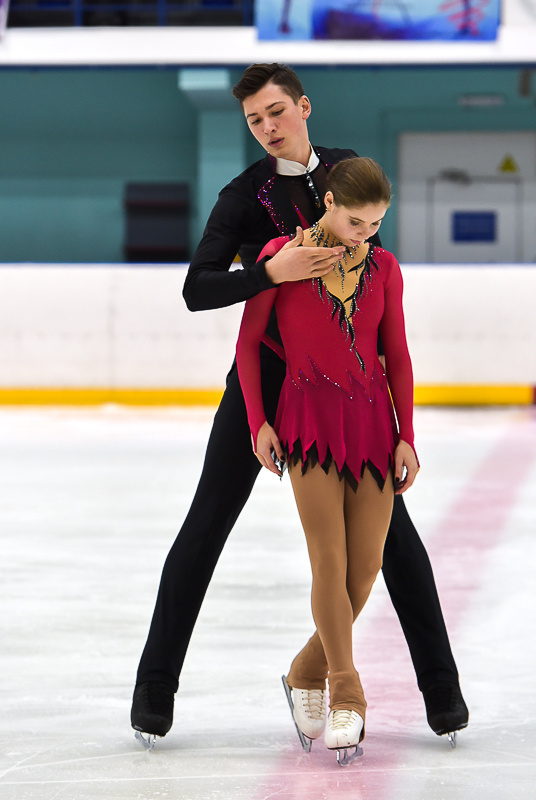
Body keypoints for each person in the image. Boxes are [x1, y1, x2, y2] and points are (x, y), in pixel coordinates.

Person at [130, 62, 468, 747]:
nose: (268, 127)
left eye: (276, 111)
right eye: (255, 119)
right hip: (267, 377)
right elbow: (197, 289)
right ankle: (154, 690)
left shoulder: (347, 169)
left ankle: (441, 691)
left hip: (343, 387)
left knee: (392, 539)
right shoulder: (241, 197)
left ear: (303, 107)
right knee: (207, 524)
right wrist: (267, 273)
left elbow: (372, 267)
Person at [236, 156, 418, 761]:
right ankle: (346, 691)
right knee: (329, 559)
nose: (367, 233)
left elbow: (398, 354)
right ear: (331, 201)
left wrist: (407, 434)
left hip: (371, 426)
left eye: (377, 223)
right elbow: (247, 344)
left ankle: (304, 670)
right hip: (308, 421)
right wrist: (258, 422)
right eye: (357, 221)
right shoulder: (282, 256)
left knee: (364, 569)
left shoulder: (385, 268)